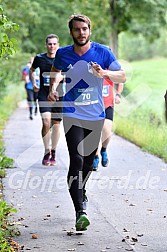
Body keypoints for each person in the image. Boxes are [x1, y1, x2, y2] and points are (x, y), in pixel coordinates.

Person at [48, 14, 126, 231]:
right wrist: (54, 89)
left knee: (89, 163)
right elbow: (55, 72)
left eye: (84, 29)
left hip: (96, 116)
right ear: (71, 32)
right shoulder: (63, 54)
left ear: (89, 30)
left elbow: (123, 76)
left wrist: (104, 73)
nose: (81, 33)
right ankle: (80, 211)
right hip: (72, 113)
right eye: (76, 29)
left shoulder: (102, 52)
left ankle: (81, 191)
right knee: (76, 159)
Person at [30, 34, 62, 166]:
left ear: (58, 45)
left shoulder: (62, 59)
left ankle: (53, 151)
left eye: (54, 44)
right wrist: (34, 83)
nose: (52, 46)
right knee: (46, 121)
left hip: (59, 95)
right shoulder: (39, 58)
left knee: (56, 125)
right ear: (46, 45)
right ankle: (46, 150)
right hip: (44, 94)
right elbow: (32, 70)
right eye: (50, 44)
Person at [93, 79, 124, 171]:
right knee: (95, 132)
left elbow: (120, 81)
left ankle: (103, 149)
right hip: (94, 105)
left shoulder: (110, 68)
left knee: (107, 130)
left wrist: (118, 95)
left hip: (108, 105)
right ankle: (96, 156)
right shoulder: (92, 68)